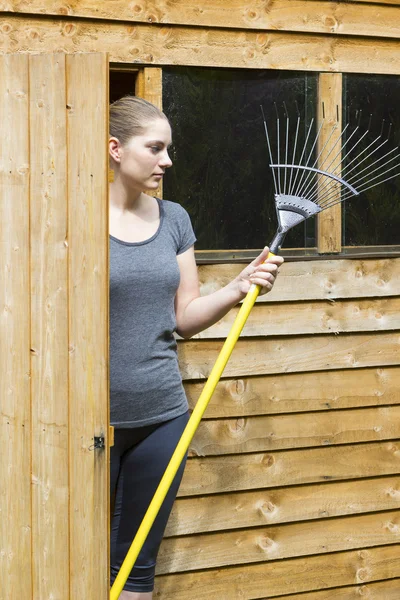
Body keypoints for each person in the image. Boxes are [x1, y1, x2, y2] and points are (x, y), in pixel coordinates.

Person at [108, 96, 284, 599]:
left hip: (161, 417)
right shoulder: (76, 220)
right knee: (70, 553)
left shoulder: (175, 219)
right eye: (156, 148)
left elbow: (184, 320)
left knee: (136, 568)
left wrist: (237, 286)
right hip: (89, 422)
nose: (167, 161)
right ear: (115, 149)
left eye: (170, 149)